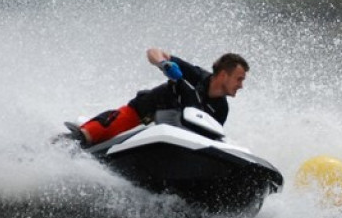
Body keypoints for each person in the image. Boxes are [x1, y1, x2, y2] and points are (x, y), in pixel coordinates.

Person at [66, 49, 249, 146]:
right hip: (141, 113)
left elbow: (209, 139)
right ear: (224, 75)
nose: (241, 85)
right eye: (239, 79)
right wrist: (164, 64)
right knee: (87, 136)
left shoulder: (221, 109)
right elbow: (154, 51)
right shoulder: (195, 75)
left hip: (172, 138)